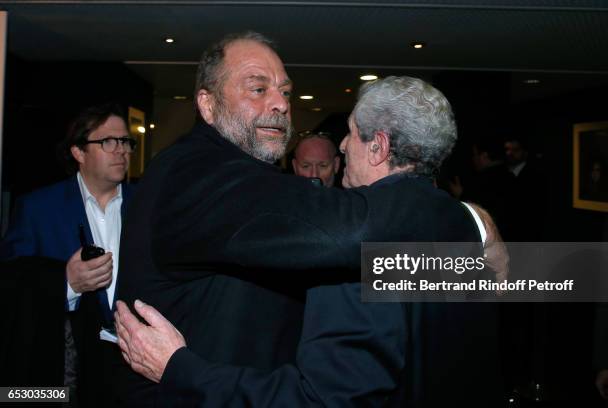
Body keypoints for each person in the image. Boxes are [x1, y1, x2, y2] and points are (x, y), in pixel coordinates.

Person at [113, 33, 505, 407]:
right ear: (207, 104)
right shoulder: (195, 173)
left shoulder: (270, 189)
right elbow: (342, 229)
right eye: (258, 88)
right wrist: (469, 218)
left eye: (285, 91)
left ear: (379, 146)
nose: (281, 103)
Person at [0, 103, 135, 407]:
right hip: (61, 372)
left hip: (134, 370)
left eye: (126, 141)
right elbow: (10, 283)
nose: (121, 150)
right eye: (108, 142)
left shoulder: (148, 206)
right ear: (78, 152)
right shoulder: (38, 209)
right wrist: (66, 283)